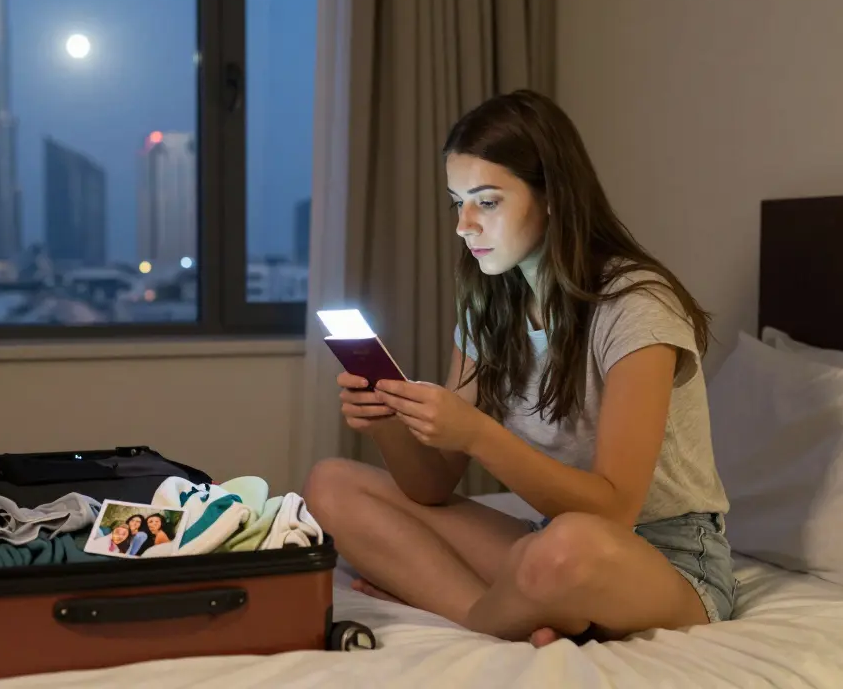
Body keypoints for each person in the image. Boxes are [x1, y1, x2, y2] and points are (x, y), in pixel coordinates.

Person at [303, 89, 736, 647]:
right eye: (457, 201)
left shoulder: (636, 306)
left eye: (486, 202)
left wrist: (478, 434)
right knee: (329, 485)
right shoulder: (492, 304)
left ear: (553, 195)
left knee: (566, 548)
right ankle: (510, 611)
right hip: (552, 540)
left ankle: (489, 617)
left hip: (666, 559)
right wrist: (390, 415)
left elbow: (615, 511)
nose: (464, 225)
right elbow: (431, 486)